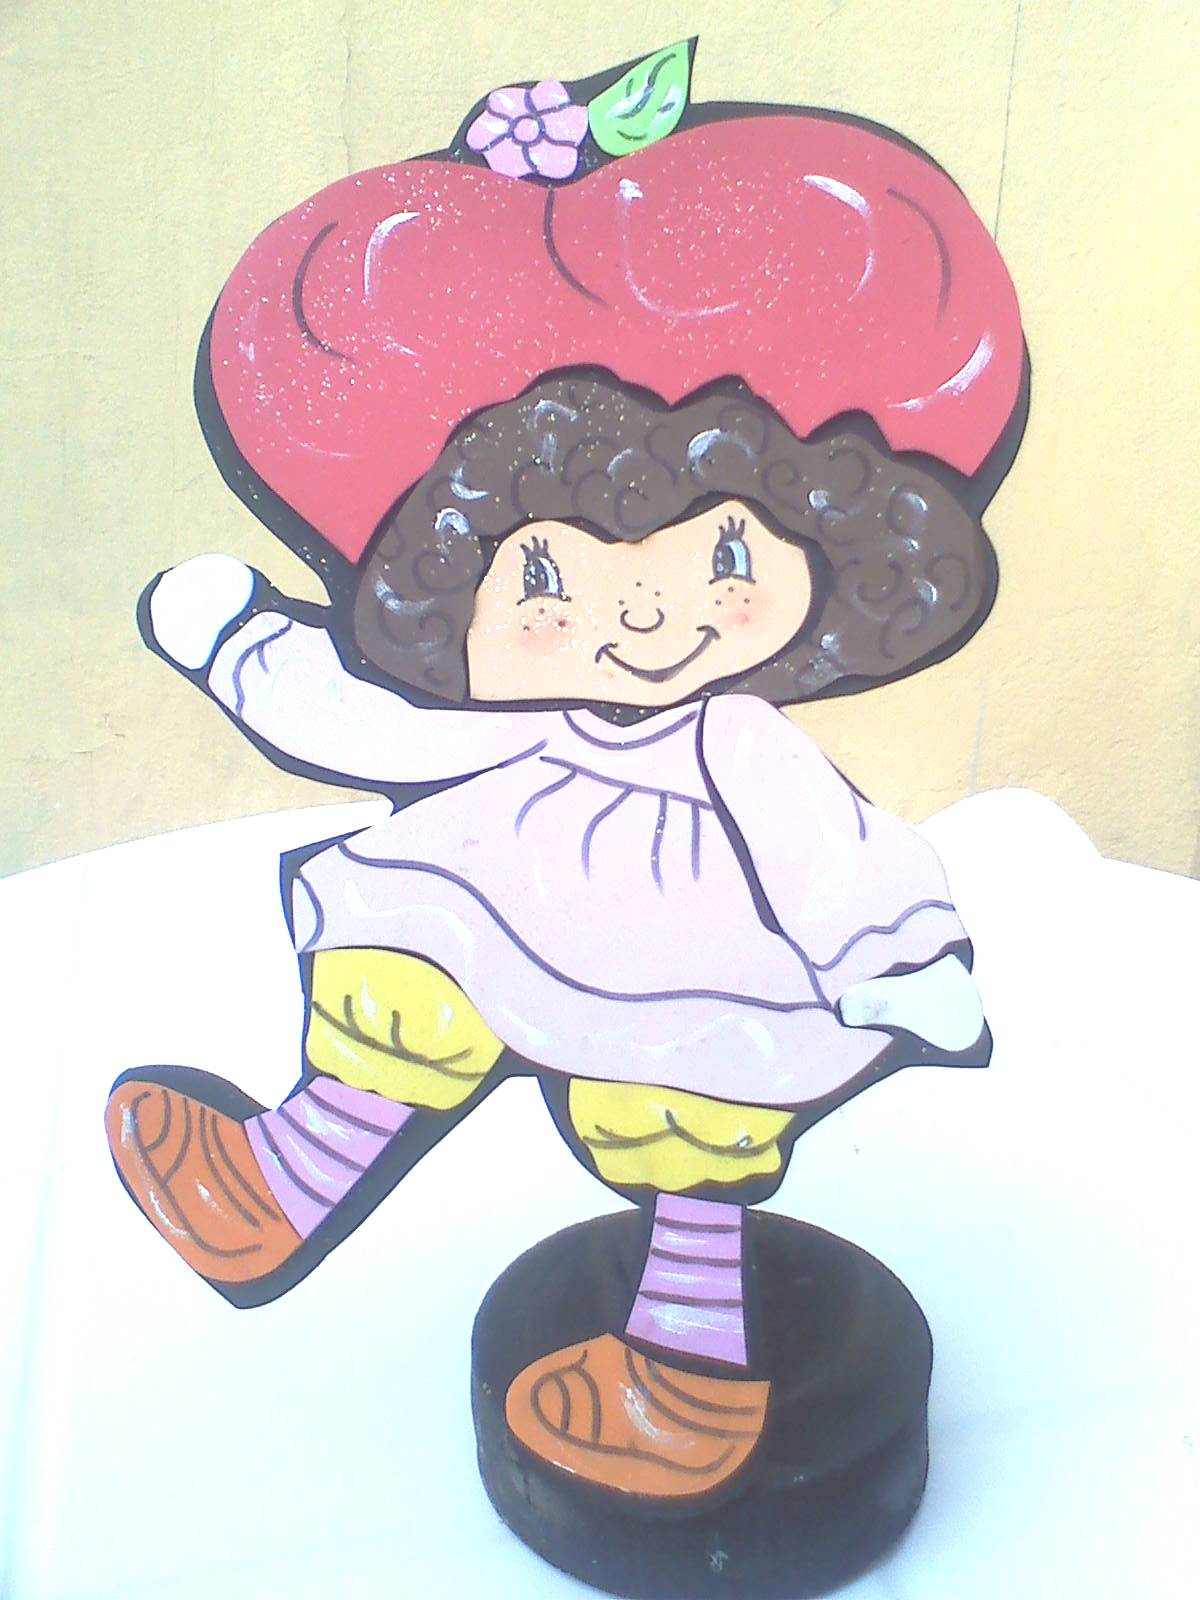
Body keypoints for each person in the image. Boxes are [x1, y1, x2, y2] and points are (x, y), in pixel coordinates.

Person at [105, 68, 1025, 1501]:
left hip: (691, 955)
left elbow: (830, 849)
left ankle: (686, 1375)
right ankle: (278, 1188)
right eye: (548, 571)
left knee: (680, 1122)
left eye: (722, 554)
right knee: (402, 988)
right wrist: (237, 645)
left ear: (837, 541)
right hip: (491, 894)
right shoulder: (493, 731)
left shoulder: (740, 746)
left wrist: (896, 963)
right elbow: (360, 720)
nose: (643, 613)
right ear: (450, 585)